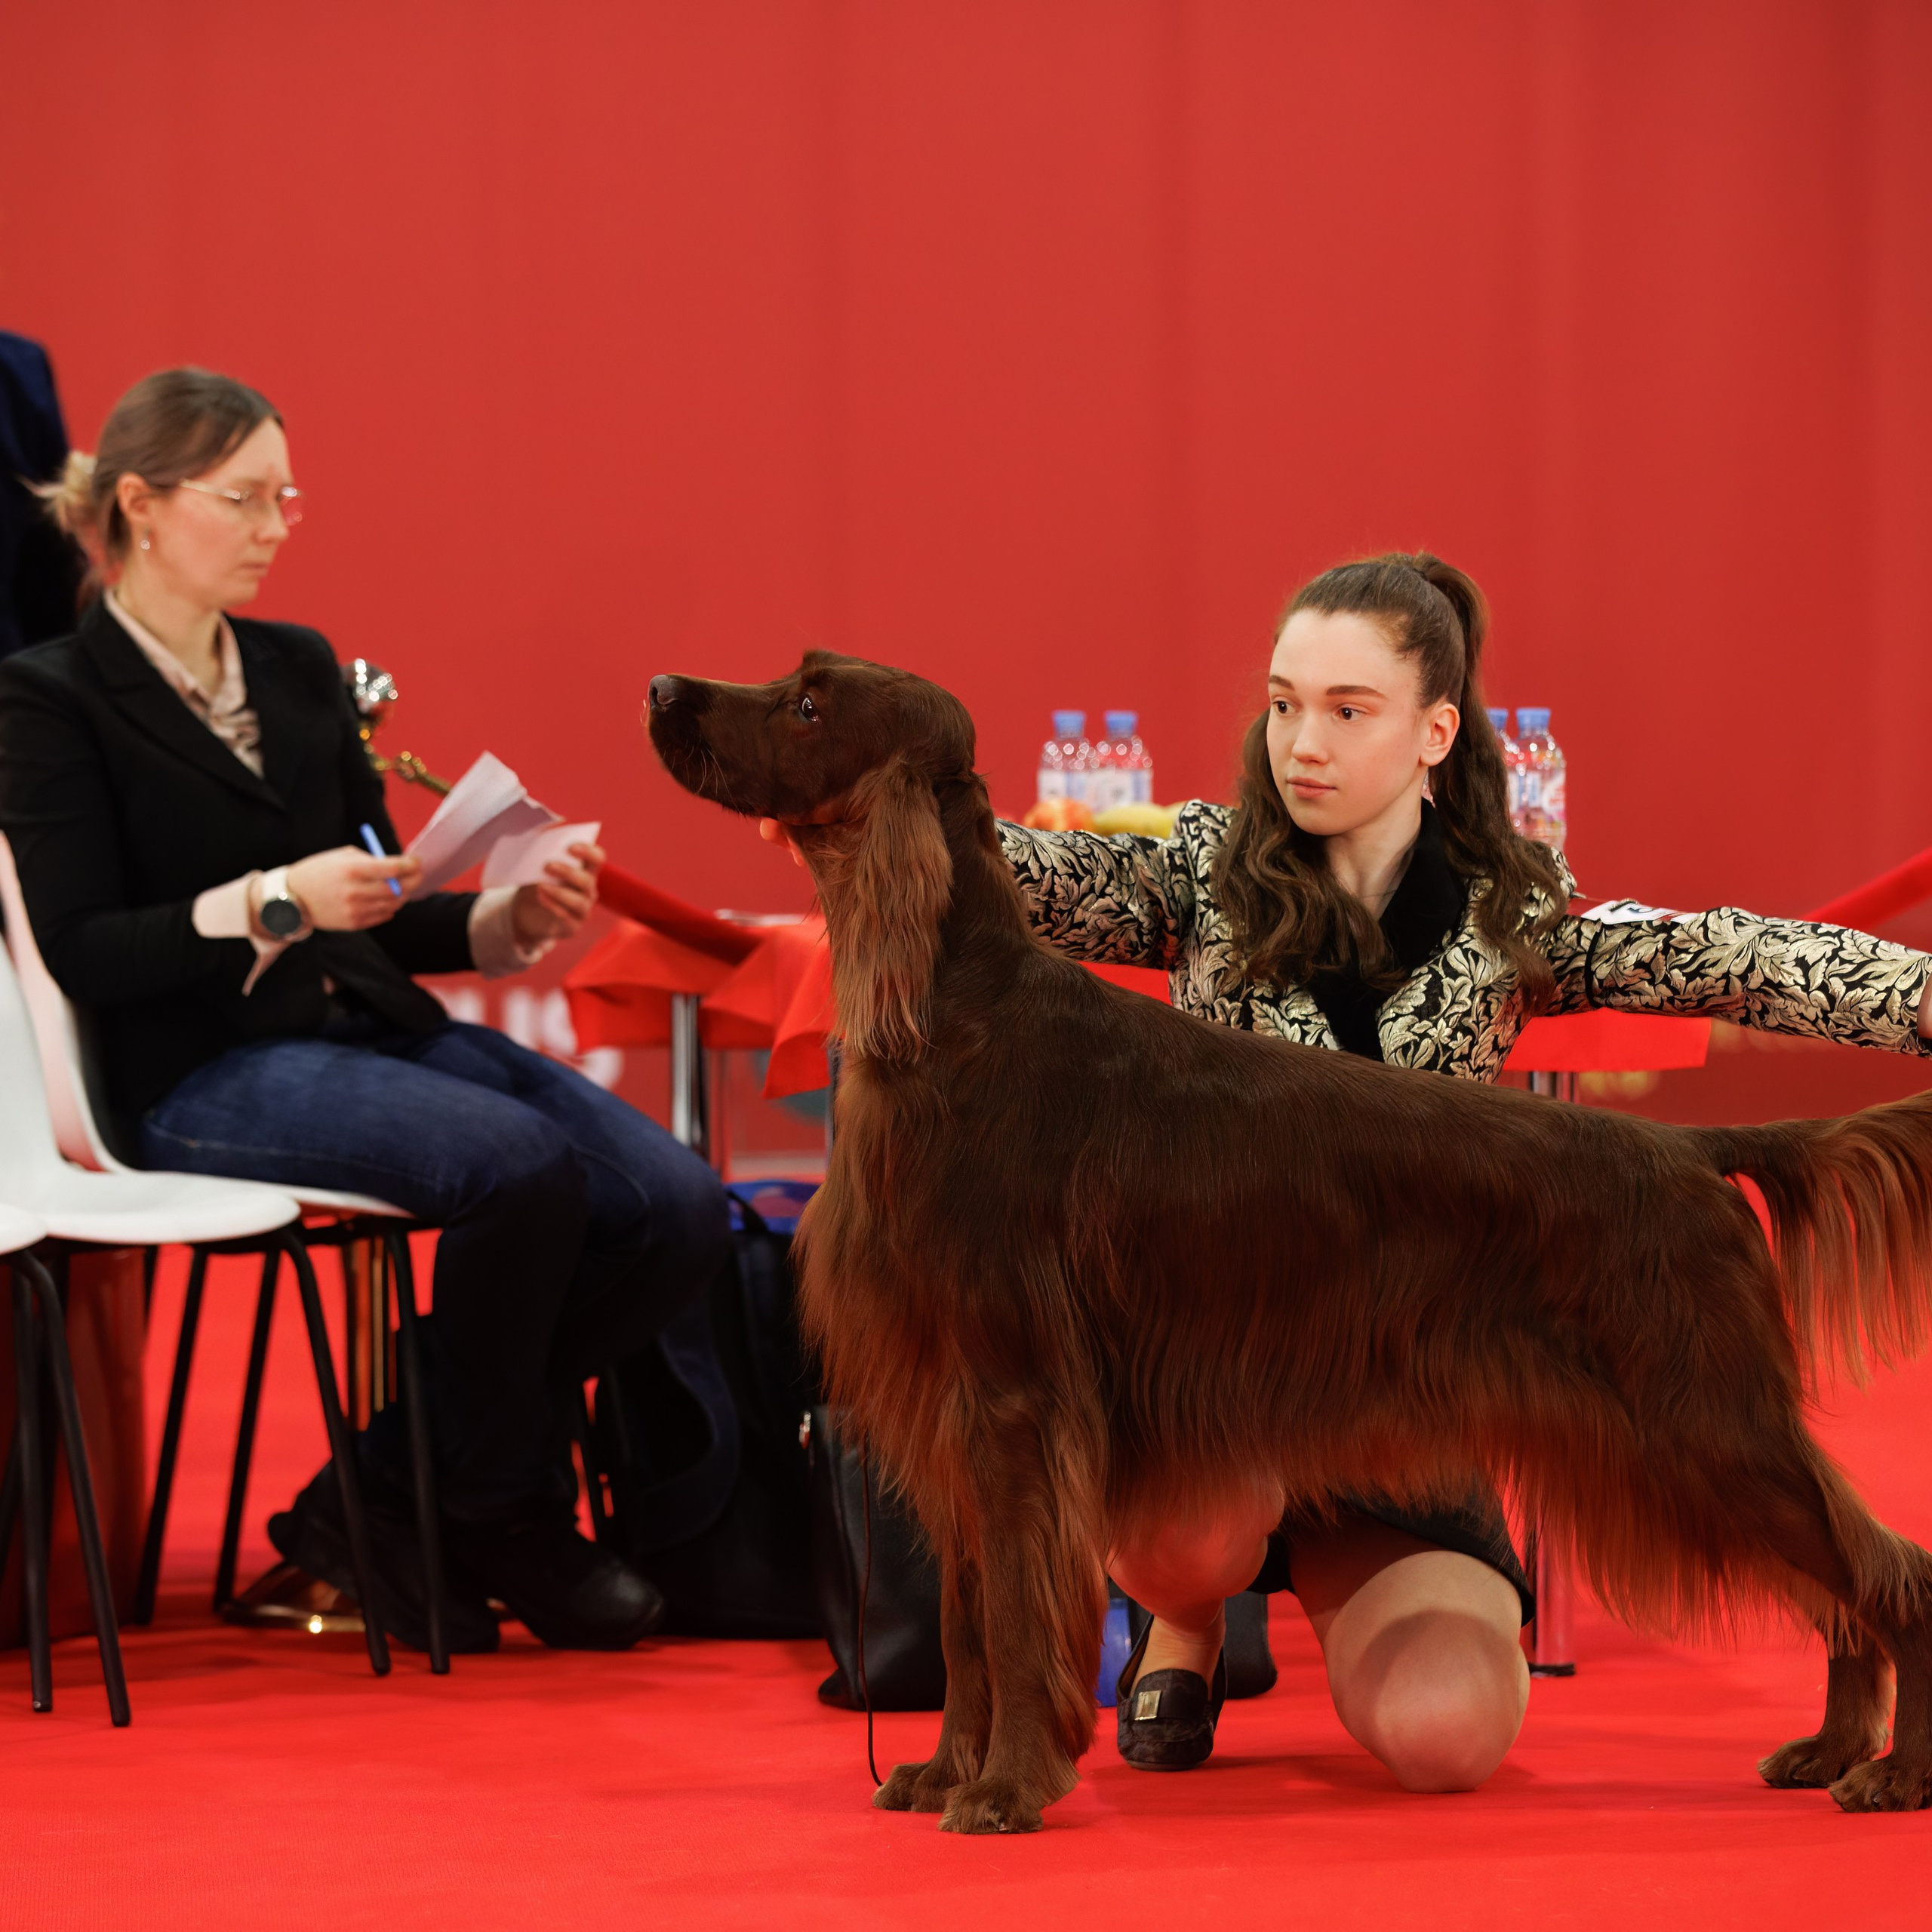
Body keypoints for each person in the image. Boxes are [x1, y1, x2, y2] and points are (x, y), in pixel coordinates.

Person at [767, 550, 1932, 1791]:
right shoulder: (1194, 872)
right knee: (1180, 1517)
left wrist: (1920, 997)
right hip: (1203, 1405)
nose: (1300, 742)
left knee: (1455, 1730)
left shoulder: (1505, 913)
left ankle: (1881, 1634)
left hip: (1404, 1396)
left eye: (1345, 710)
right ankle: (1190, 1626)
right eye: (1282, 704)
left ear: (1436, 733)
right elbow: (1000, 876)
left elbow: (1723, 956)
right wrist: (854, 816)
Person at [0, 368, 731, 1655]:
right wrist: (272, 901)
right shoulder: (47, 698)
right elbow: (83, 951)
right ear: (141, 506)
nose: (279, 523)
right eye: (246, 498)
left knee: (673, 1202)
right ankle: (501, 1511)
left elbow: (380, 899)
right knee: (518, 1167)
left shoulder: (296, 668)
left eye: (288, 496)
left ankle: (382, 1495)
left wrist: (506, 921)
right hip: (193, 1068)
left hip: (371, 1029)